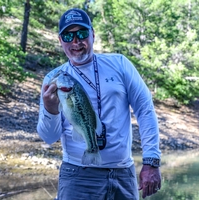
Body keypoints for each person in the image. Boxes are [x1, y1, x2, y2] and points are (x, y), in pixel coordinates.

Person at [37, 8, 161, 200]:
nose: (76, 41)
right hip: (78, 175)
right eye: (68, 36)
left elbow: (145, 110)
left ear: (93, 34)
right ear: (60, 40)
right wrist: (50, 110)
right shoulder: (53, 79)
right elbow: (49, 137)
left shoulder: (120, 64)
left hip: (123, 173)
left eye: (82, 33)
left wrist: (151, 161)